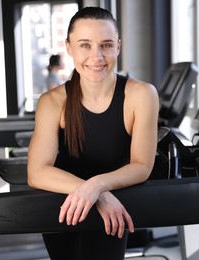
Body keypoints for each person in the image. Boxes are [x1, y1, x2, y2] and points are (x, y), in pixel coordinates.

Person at [27, 6, 159, 260]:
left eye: (106, 45)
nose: (96, 56)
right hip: (65, 208)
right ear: (69, 47)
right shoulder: (52, 101)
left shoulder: (141, 95)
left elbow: (142, 165)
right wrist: (94, 193)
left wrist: (98, 186)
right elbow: (37, 172)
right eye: (85, 45)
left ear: (118, 46)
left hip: (114, 210)